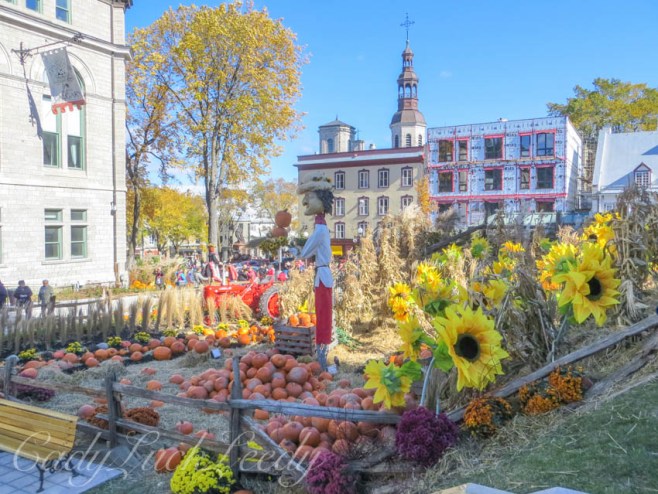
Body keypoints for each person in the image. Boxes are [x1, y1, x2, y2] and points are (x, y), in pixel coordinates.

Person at [298, 174, 335, 371]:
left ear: (320, 201)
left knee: (322, 316)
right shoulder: (322, 228)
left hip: (322, 276)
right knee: (324, 315)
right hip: (322, 275)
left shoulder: (320, 230)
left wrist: (295, 250)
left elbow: (305, 252)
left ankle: (322, 358)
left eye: (310, 198)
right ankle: (322, 356)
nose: (306, 201)